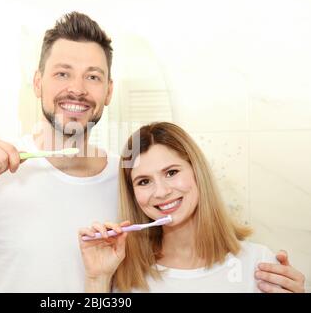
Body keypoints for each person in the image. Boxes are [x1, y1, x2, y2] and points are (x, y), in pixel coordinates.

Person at [0, 12, 304, 293]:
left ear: (109, 91)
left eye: (93, 77)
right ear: (38, 83)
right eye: (63, 73)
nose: (77, 89)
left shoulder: (132, 183)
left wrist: (267, 277)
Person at [79, 122, 306, 293]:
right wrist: (97, 280)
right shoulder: (124, 278)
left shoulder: (259, 265)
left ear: (197, 172)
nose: (161, 191)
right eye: (144, 181)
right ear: (133, 194)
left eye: (171, 172)